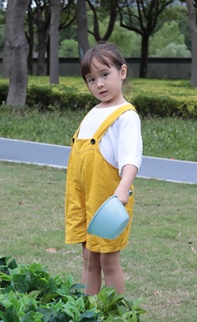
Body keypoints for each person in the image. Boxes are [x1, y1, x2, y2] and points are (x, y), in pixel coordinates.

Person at [65, 42, 142, 295]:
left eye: (105, 75)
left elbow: (131, 159)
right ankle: (87, 315)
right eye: (91, 79)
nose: (99, 84)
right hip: (84, 199)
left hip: (109, 200)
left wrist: (122, 189)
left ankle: (116, 318)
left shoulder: (126, 116)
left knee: (109, 260)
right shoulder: (93, 112)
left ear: (122, 72)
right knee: (89, 258)